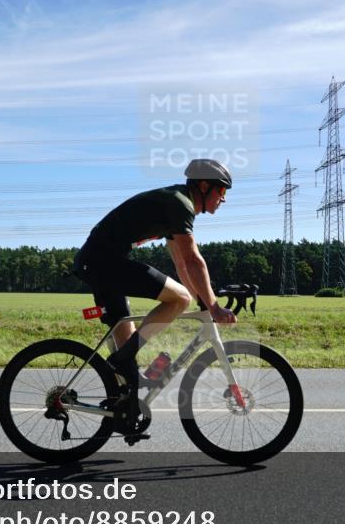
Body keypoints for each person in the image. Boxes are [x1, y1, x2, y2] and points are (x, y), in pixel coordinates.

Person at [72, 158, 238, 407]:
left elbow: (182, 265)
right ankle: (121, 363)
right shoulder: (180, 203)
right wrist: (213, 306)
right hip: (102, 263)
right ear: (204, 186)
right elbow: (193, 260)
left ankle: (123, 411)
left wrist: (203, 302)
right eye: (222, 190)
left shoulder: (175, 203)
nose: (224, 198)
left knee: (127, 360)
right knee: (180, 299)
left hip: (100, 263)